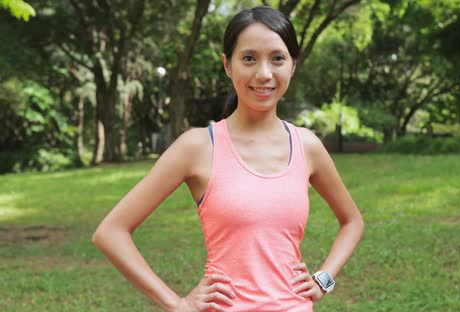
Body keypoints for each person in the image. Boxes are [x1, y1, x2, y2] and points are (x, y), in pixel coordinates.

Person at [92, 5, 364, 312]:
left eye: (277, 58)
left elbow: (352, 221)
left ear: (292, 66)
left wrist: (324, 279)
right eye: (249, 58)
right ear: (227, 64)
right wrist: (177, 304)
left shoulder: (307, 146)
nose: (264, 73)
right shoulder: (197, 147)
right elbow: (111, 232)